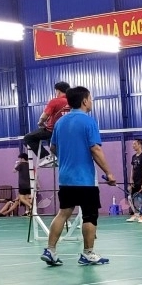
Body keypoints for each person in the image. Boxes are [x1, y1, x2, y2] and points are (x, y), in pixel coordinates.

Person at [40, 86, 116, 267]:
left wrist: (67, 157)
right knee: (90, 215)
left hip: (65, 178)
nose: (91, 101)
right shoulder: (89, 122)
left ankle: (50, 250)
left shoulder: (60, 122)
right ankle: (88, 253)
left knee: (63, 213)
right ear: (84, 101)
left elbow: (53, 147)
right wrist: (109, 173)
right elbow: (95, 149)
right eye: (90, 98)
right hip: (84, 180)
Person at [22, 81, 71, 164]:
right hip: (68, 132)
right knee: (51, 140)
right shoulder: (73, 102)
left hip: (52, 131)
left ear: (58, 91)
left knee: (28, 138)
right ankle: (57, 157)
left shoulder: (55, 101)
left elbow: (44, 117)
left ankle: (46, 157)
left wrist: (40, 123)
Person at [0, 153, 34, 217]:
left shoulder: (21, 164)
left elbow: (14, 171)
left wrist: (16, 164)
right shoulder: (30, 165)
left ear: (22, 158)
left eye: (19, 158)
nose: (19, 160)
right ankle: (27, 212)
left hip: (22, 184)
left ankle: (30, 206)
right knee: (26, 198)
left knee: (21, 198)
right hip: (29, 185)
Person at [127, 139, 142, 222]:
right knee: (134, 197)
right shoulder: (133, 157)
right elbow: (132, 169)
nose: (133, 145)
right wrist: (131, 180)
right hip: (135, 181)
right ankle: (136, 214)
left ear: (140, 145)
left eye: (134, 144)